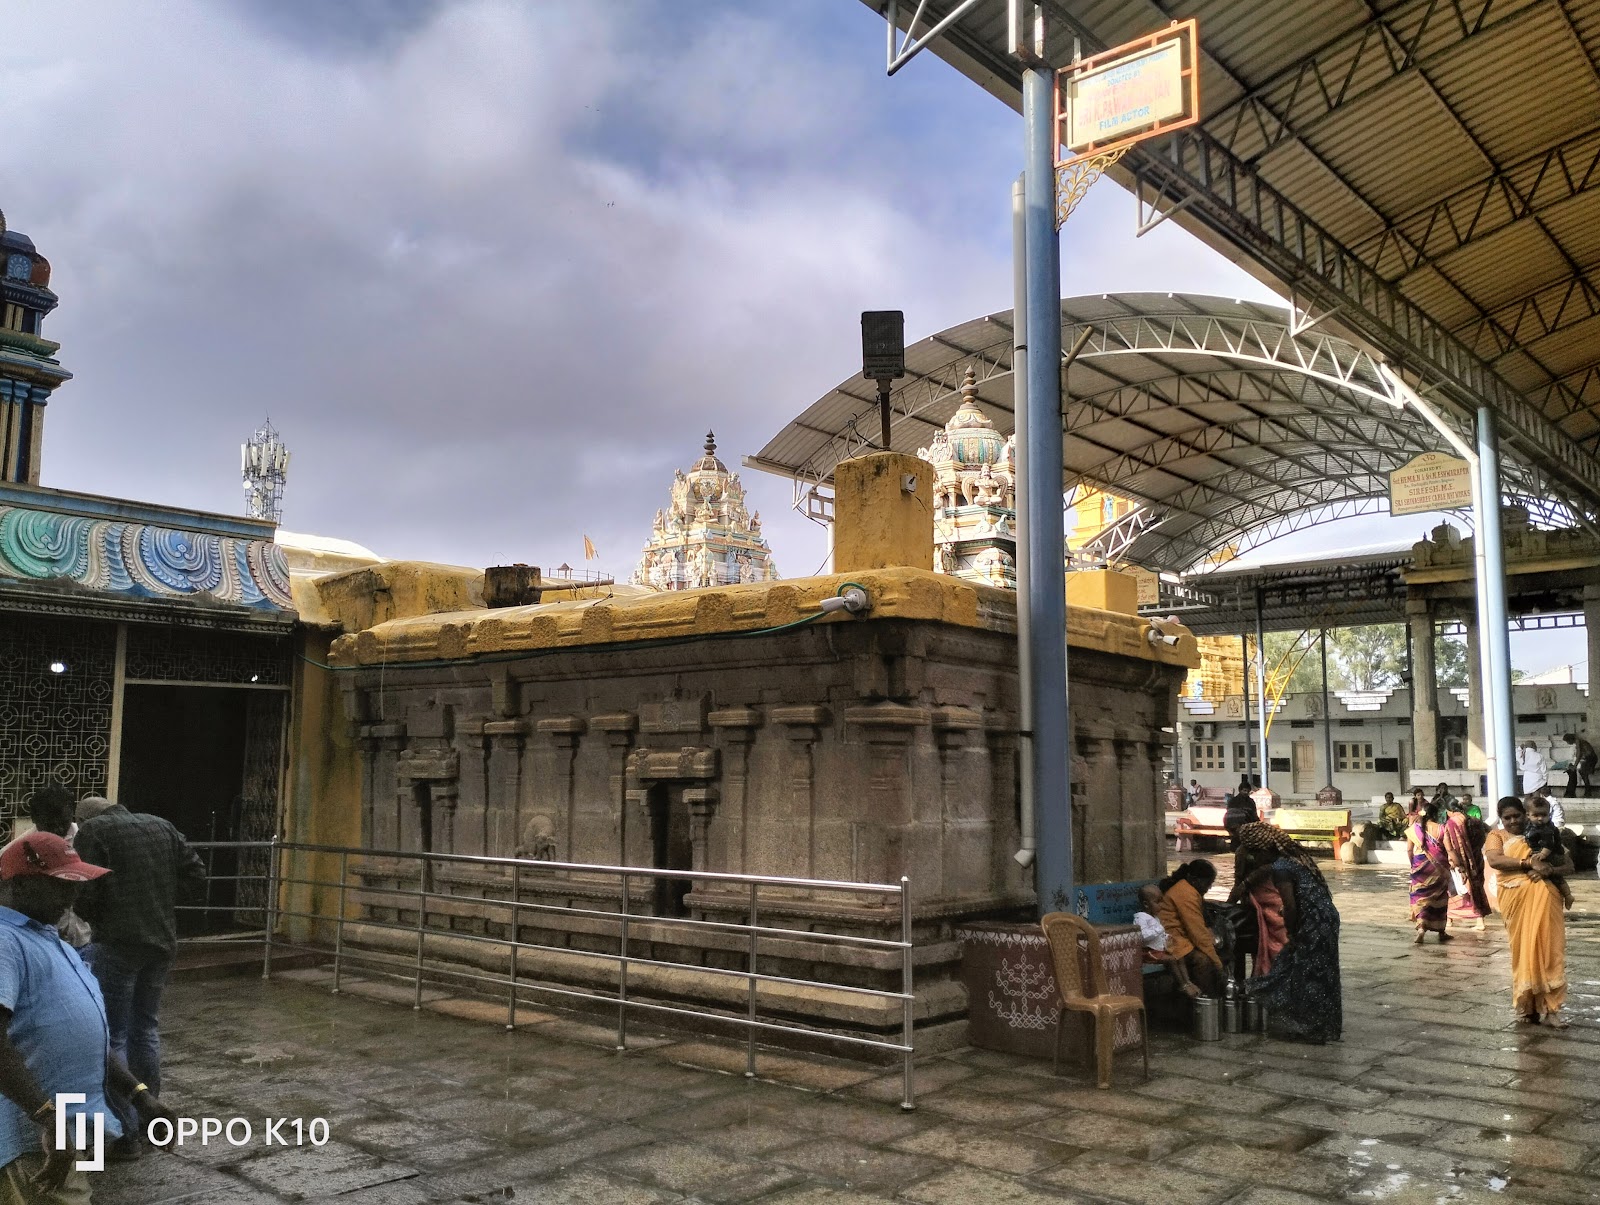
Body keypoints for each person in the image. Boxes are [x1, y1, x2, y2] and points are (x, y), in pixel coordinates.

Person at [0, 831, 175, 1201]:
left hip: (68, 1132)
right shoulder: (5, 941)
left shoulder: (51, 940)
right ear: (18, 884)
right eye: (60, 883)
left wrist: (138, 1094)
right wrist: (46, 1116)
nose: (73, 894)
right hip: (36, 1140)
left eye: (76, 883)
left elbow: (86, 1038)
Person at [72, 801, 205, 1156]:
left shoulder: (93, 831)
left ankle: (125, 1132)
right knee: (145, 1028)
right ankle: (153, 1120)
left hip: (117, 943)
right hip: (161, 939)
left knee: (111, 1035)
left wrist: (101, 916)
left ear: (83, 819)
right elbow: (196, 875)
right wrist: (159, 904)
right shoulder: (162, 824)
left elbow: (82, 890)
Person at [1228, 823, 1341, 1044]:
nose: (1255, 860)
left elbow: (1289, 906)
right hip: (1326, 918)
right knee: (1309, 971)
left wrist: (1292, 932)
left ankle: (1311, 1031)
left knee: (1308, 975)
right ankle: (1316, 1026)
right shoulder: (1296, 861)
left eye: (1255, 854)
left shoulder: (1280, 868)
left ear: (1264, 851)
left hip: (1313, 923)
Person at [1483, 796, 1571, 1027]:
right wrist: (1528, 864)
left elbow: (1569, 865)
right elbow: (1494, 860)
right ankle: (1526, 1007)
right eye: (1507, 818)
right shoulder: (1497, 836)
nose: (1513, 821)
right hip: (1515, 900)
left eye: (1516, 816)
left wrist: (1547, 870)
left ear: (1525, 813)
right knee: (1523, 951)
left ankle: (1552, 1010)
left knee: (1551, 950)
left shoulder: (1545, 833)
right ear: (1501, 819)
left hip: (1547, 898)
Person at [18, 788, 91, 950]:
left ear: (72, 814)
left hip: (89, 940)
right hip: (46, 943)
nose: (58, 829)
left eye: (63, 822)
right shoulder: (21, 850)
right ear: (34, 819)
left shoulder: (89, 840)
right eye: (50, 824)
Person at [1154, 860, 1224, 997]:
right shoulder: (1186, 893)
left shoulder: (1188, 890)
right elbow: (1197, 933)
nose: (1209, 888)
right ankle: (1204, 1000)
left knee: (1215, 954)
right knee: (1203, 960)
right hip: (1170, 940)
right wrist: (1218, 964)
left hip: (1180, 939)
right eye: (1207, 883)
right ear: (1194, 880)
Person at [1133, 884, 1201, 999]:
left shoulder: (1154, 917)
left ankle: (1188, 981)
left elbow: (1159, 934)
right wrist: (1159, 929)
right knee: (1172, 960)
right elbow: (1142, 936)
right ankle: (1183, 985)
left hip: (1158, 950)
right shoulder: (1141, 918)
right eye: (1157, 902)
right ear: (1146, 904)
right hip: (1148, 952)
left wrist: (1166, 937)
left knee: (1179, 956)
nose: (1161, 905)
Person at [1406, 800, 1453, 944]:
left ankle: (1421, 928)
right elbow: (1448, 849)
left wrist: (1414, 865)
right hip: (1438, 868)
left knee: (1420, 898)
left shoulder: (1414, 829)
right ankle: (1441, 931)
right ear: (1436, 814)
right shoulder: (1441, 828)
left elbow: (1409, 850)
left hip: (1420, 866)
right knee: (1439, 898)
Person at [1441, 798, 1491, 930]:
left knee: (1454, 891)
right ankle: (1480, 921)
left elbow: (1450, 848)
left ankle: (1449, 921)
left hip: (1458, 863)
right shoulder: (1473, 820)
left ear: (1449, 811)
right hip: (1476, 859)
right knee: (1476, 888)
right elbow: (1487, 831)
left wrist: (1461, 867)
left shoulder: (1451, 823)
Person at [1523, 796, 1574, 911]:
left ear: (1549, 815)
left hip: (1552, 854)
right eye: (1536, 815)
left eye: (1544, 815)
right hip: (1539, 853)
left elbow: (1549, 844)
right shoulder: (1530, 826)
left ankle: (1568, 895)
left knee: (1555, 877)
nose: (1540, 818)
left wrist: (1543, 854)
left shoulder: (1547, 829)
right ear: (1528, 815)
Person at [1565, 733, 1596, 799]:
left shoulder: (1578, 741)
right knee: (1582, 772)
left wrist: (1574, 766)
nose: (1567, 743)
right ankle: (1588, 791)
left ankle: (1588, 792)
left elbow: (1579, 755)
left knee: (1583, 773)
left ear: (1570, 739)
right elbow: (1578, 755)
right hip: (1589, 758)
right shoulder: (1578, 741)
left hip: (1590, 758)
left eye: (1567, 741)